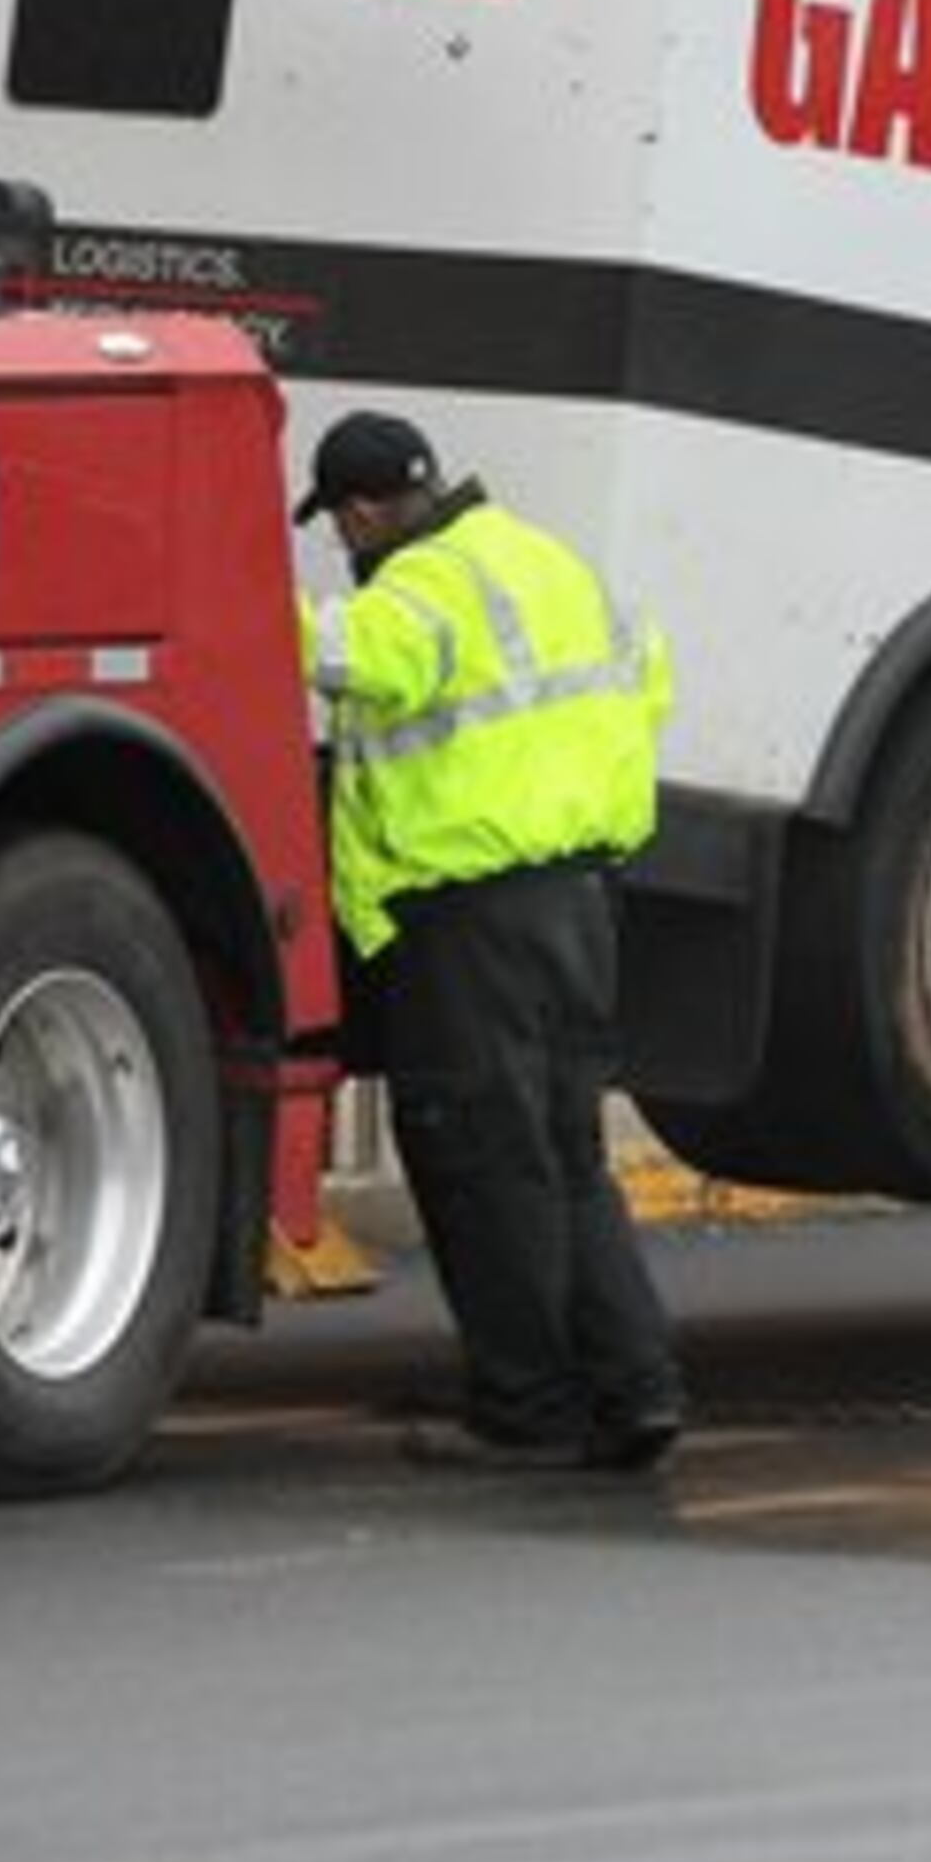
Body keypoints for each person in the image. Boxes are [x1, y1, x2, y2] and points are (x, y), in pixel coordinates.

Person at [300, 410, 687, 1470]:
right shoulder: (550, 563)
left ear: (366, 509)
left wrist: (223, 588)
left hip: (477, 917)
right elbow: (651, 679)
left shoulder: (423, 587)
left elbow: (346, 656)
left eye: (339, 525)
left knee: (485, 1166)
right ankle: (637, 1388)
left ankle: (528, 1411)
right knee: (566, 1157)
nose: (344, 546)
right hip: (583, 898)